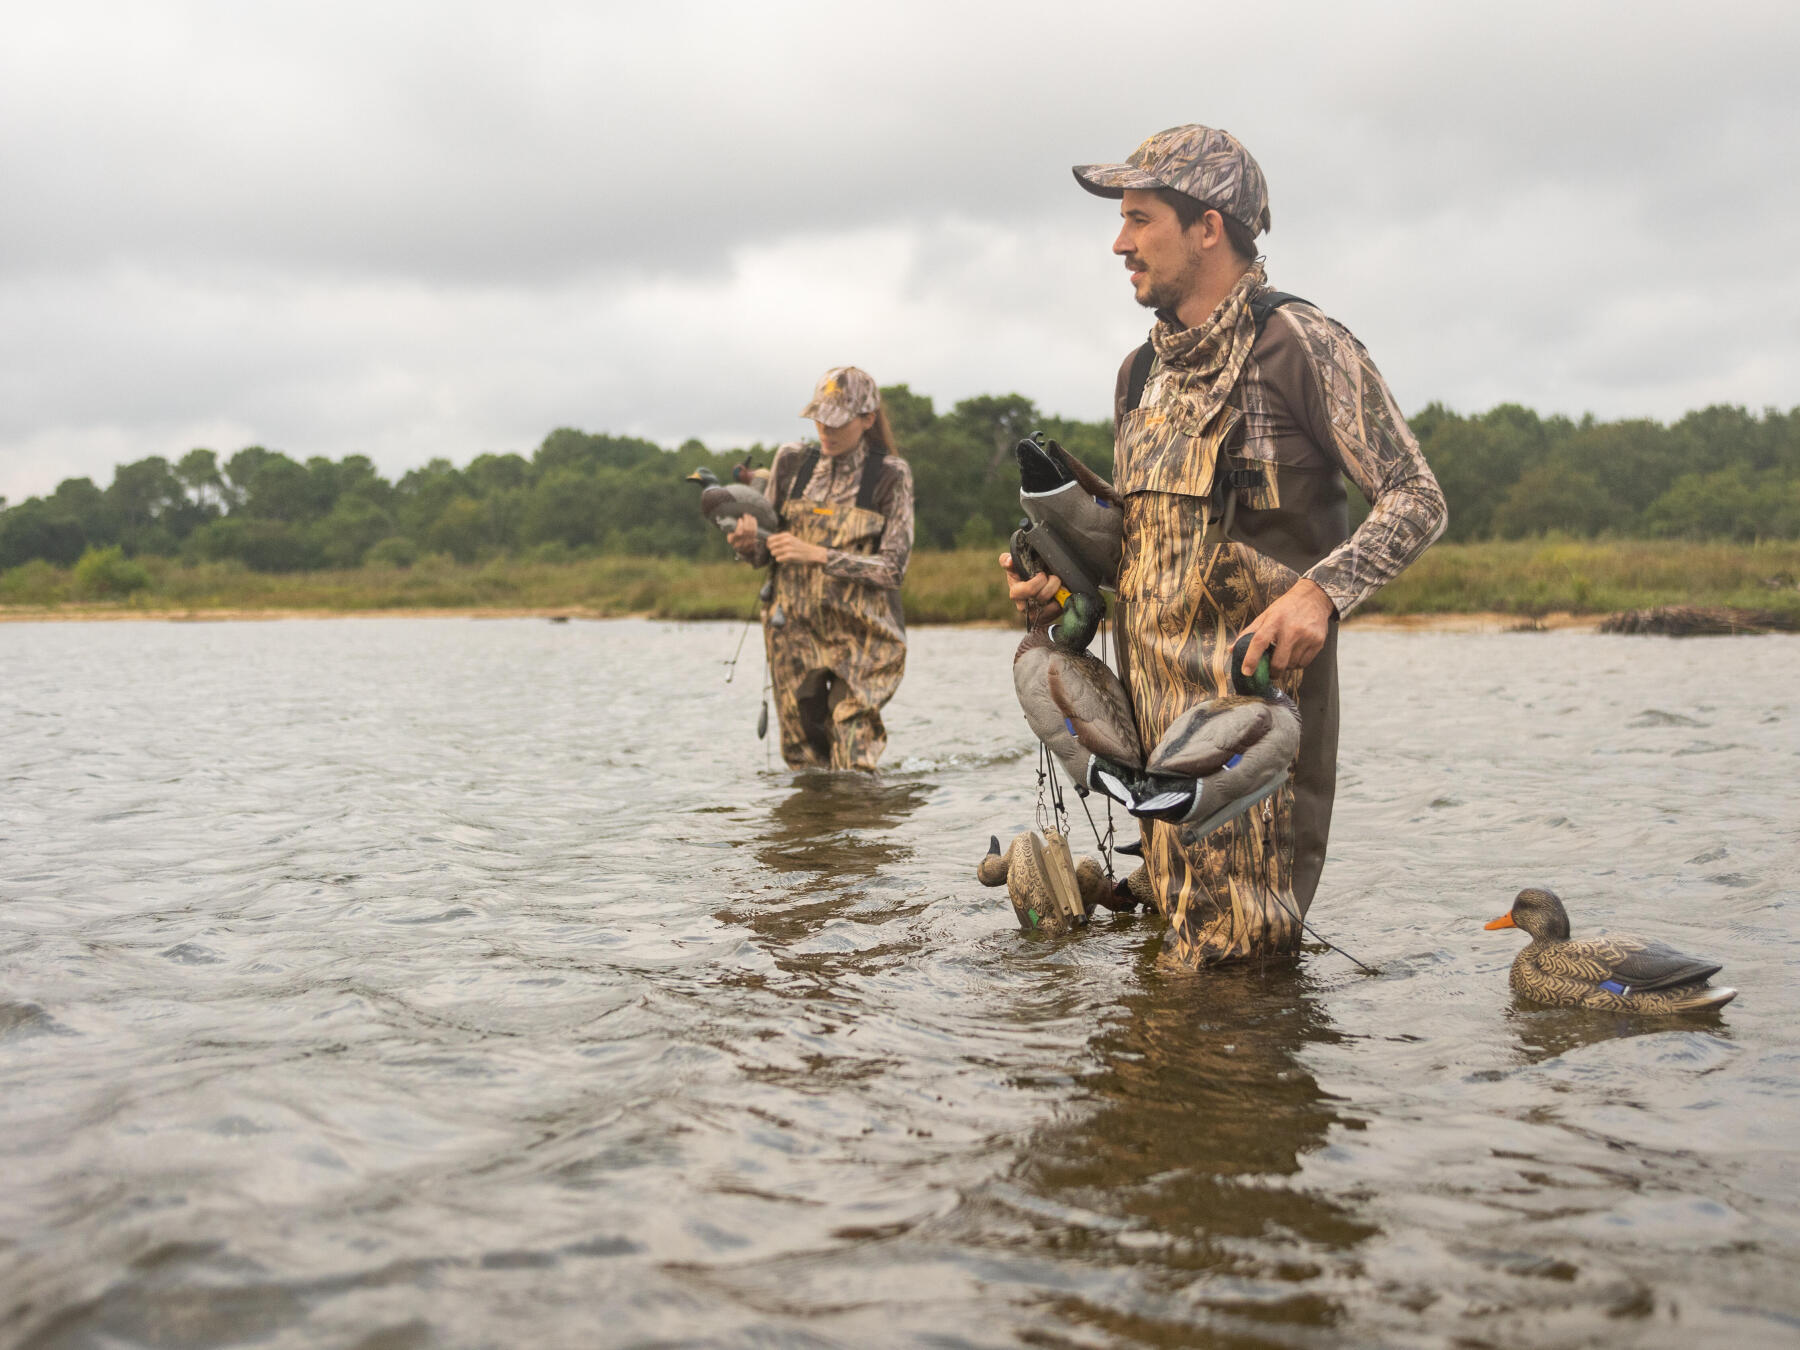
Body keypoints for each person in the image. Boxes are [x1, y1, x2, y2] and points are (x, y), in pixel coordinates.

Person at [1003, 124, 1447, 966]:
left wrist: (1320, 594)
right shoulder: (1139, 374)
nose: (1119, 242)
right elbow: (1146, 558)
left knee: (1242, 991)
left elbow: (1417, 498)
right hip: (1152, 753)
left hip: (1254, 748)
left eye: (1140, 219)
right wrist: (1064, 592)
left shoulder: (1303, 345)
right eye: (1121, 219)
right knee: (1172, 1011)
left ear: (1210, 226)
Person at [729, 366, 914, 772]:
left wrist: (819, 555)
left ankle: (862, 833)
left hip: (863, 639)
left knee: (852, 753)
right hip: (793, 635)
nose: (825, 431)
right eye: (818, 418)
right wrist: (747, 545)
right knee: (803, 759)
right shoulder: (791, 461)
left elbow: (892, 570)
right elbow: (766, 553)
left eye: (837, 422)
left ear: (867, 419)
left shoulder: (890, 475)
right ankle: (811, 834)